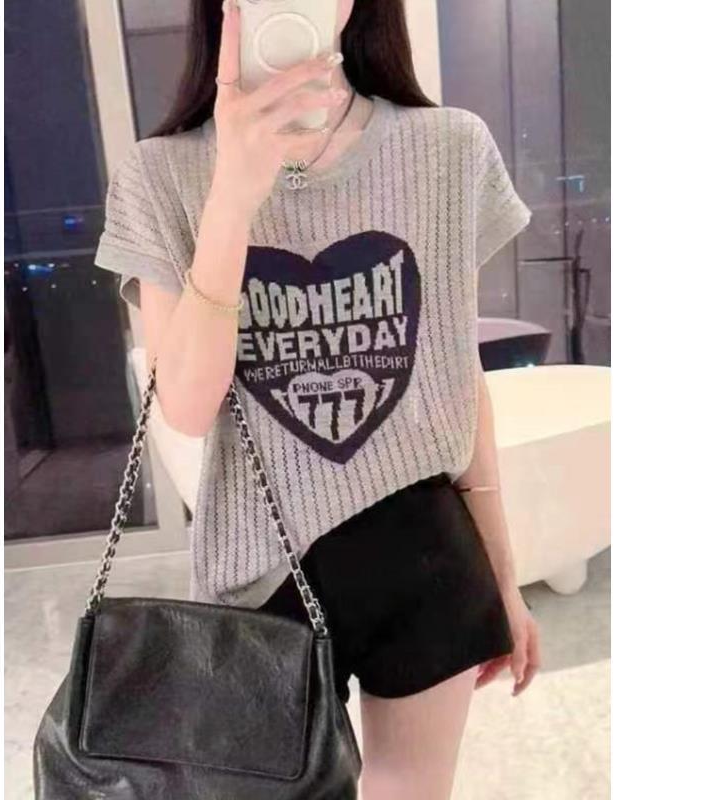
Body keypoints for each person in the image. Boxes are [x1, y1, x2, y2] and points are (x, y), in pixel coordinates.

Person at [94, 0, 541, 796]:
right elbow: (186, 407)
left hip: (426, 549)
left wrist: (505, 578)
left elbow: (455, 376)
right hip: (259, 574)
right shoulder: (158, 175)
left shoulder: (448, 148)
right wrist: (232, 196)